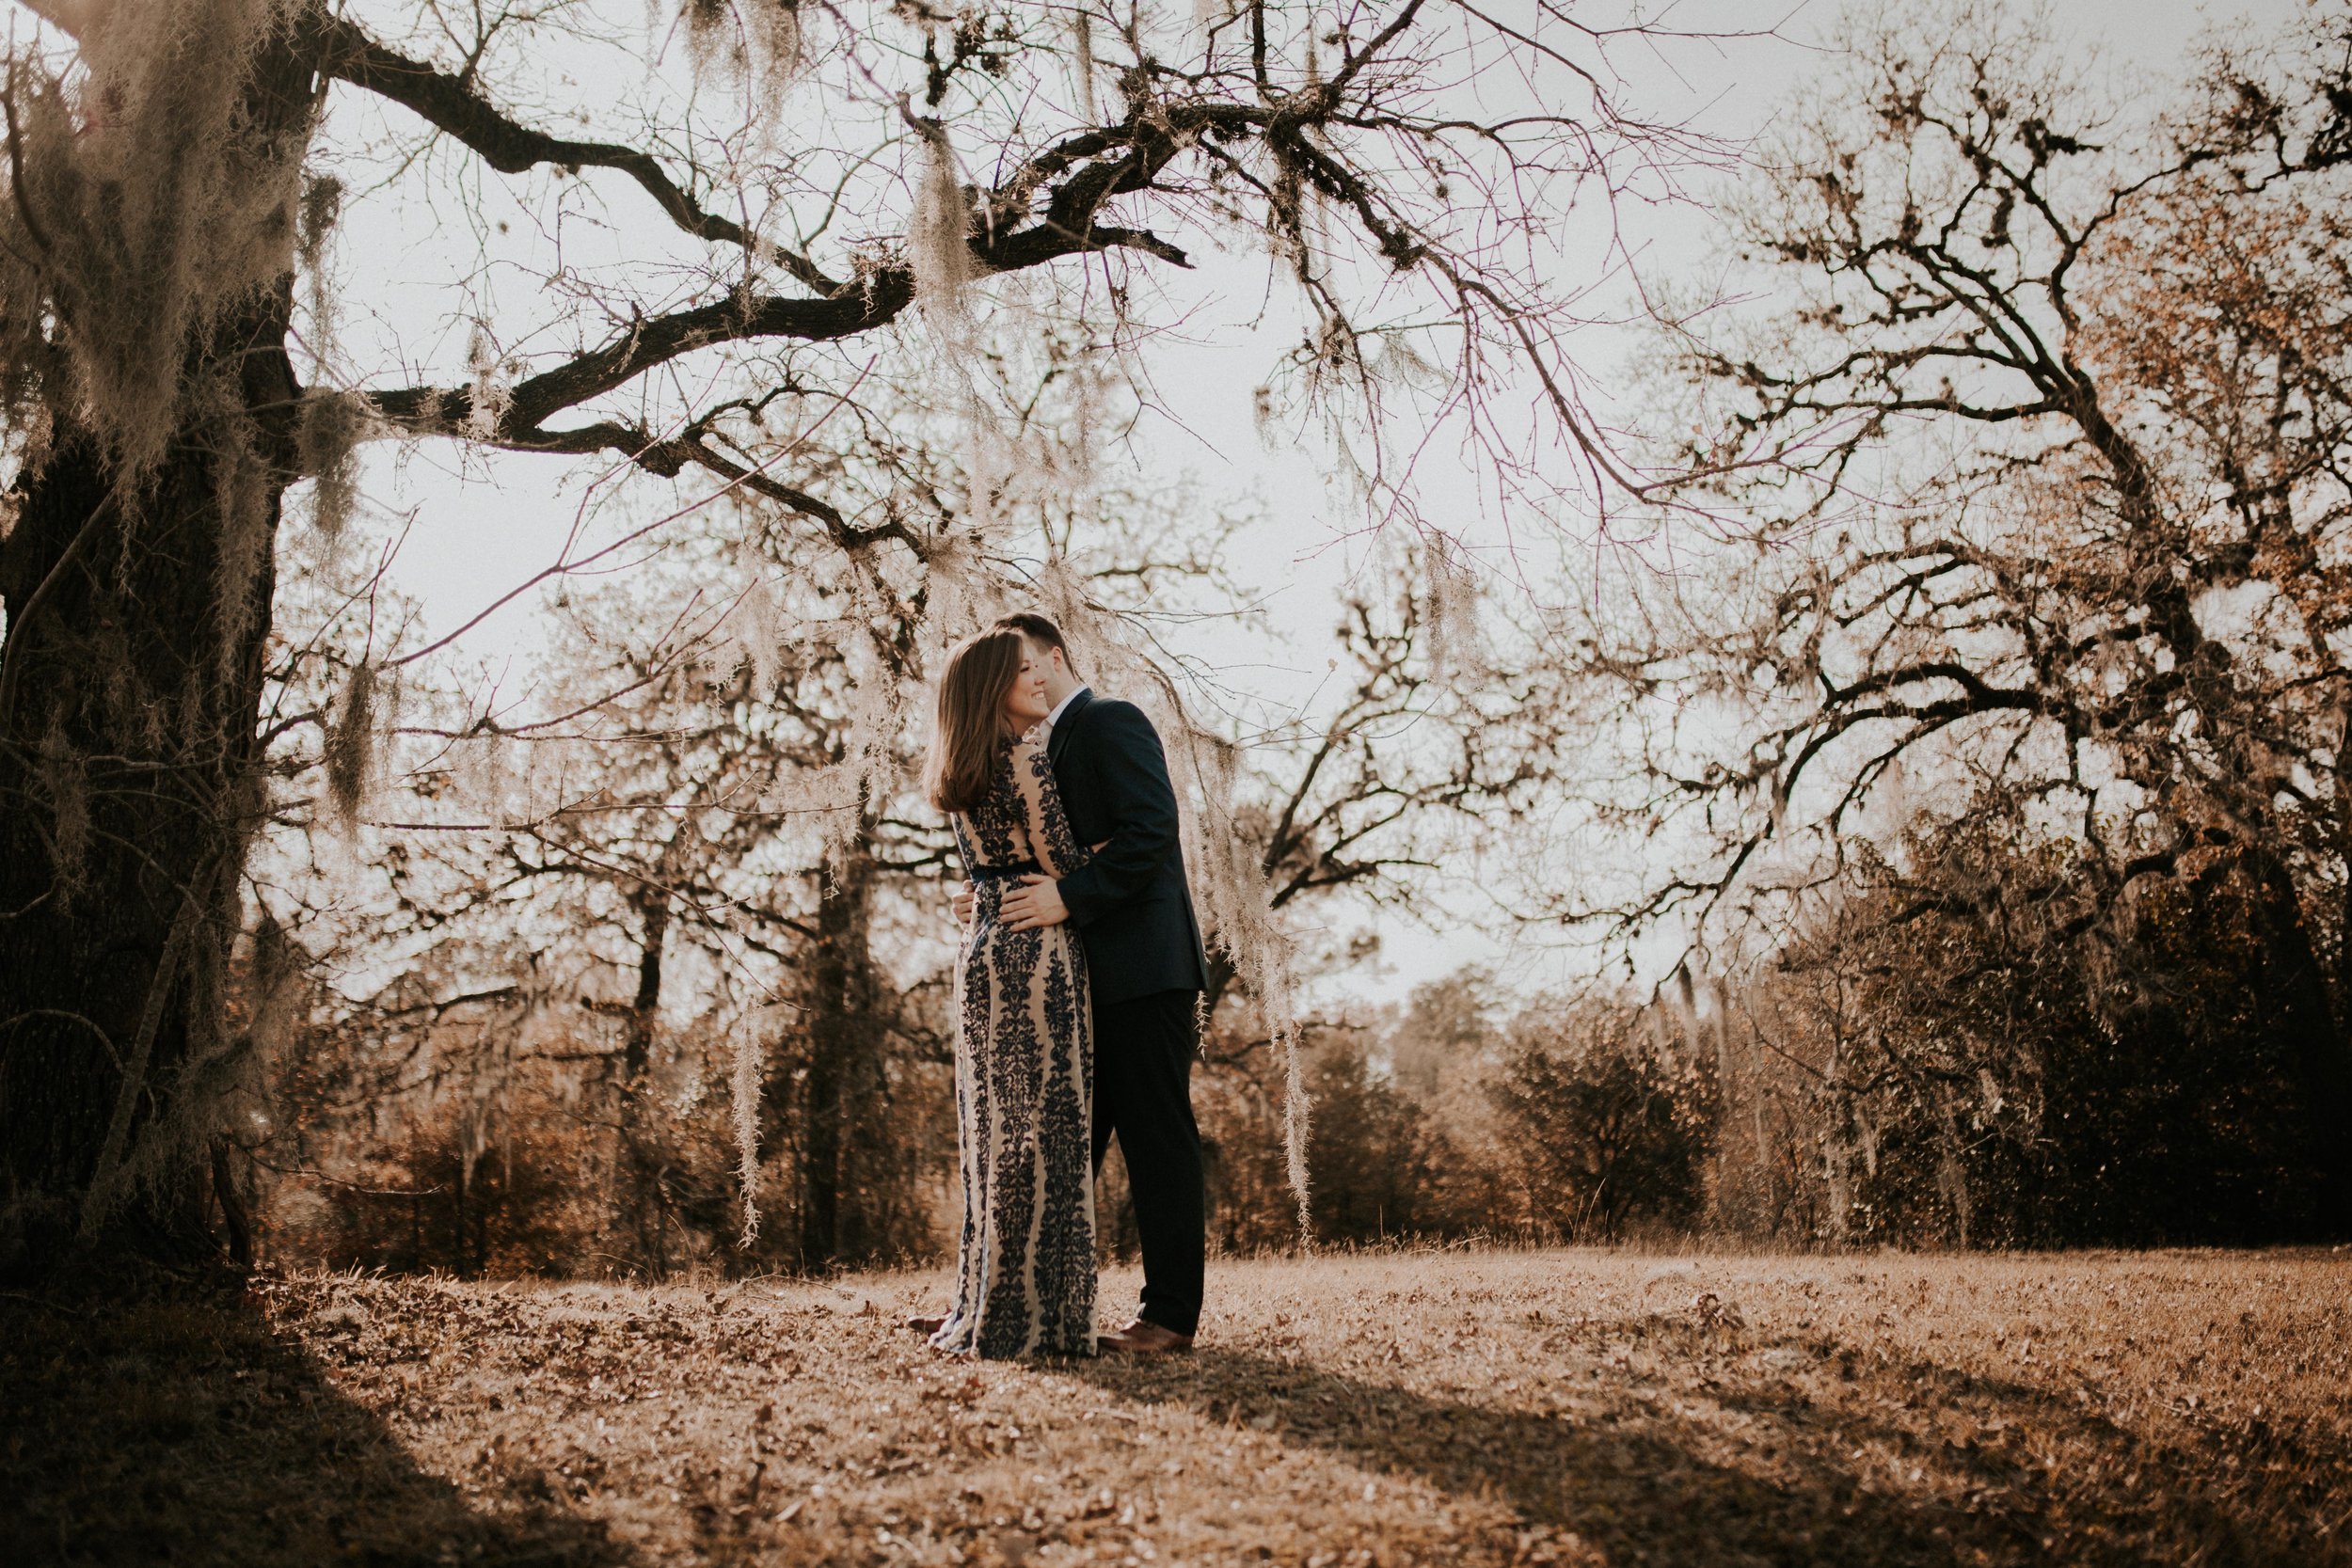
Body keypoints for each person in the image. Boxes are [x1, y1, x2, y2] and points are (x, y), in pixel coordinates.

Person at [959, 612, 1212, 1356]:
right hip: (1082, 981)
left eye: (1031, 662)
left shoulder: (1108, 719)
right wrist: (988, 893)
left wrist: (1066, 895)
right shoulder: (1046, 744)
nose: (1029, 678)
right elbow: (1047, 849)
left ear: (1055, 654)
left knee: (1158, 1140)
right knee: (1059, 1147)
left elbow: (1150, 830)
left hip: (1142, 969)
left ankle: (1169, 1315)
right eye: (1015, 671)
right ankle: (1011, 1304)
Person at [916, 628, 1099, 1358]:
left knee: (994, 1134)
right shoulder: (1023, 758)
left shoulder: (962, 768)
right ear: (992, 688)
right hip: (1037, 957)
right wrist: (1111, 854)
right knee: (1046, 1133)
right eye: (1021, 671)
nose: (1036, 679)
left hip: (983, 951)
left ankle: (986, 1299)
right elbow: (1062, 860)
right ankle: (1039, 1317)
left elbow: (987, 870)